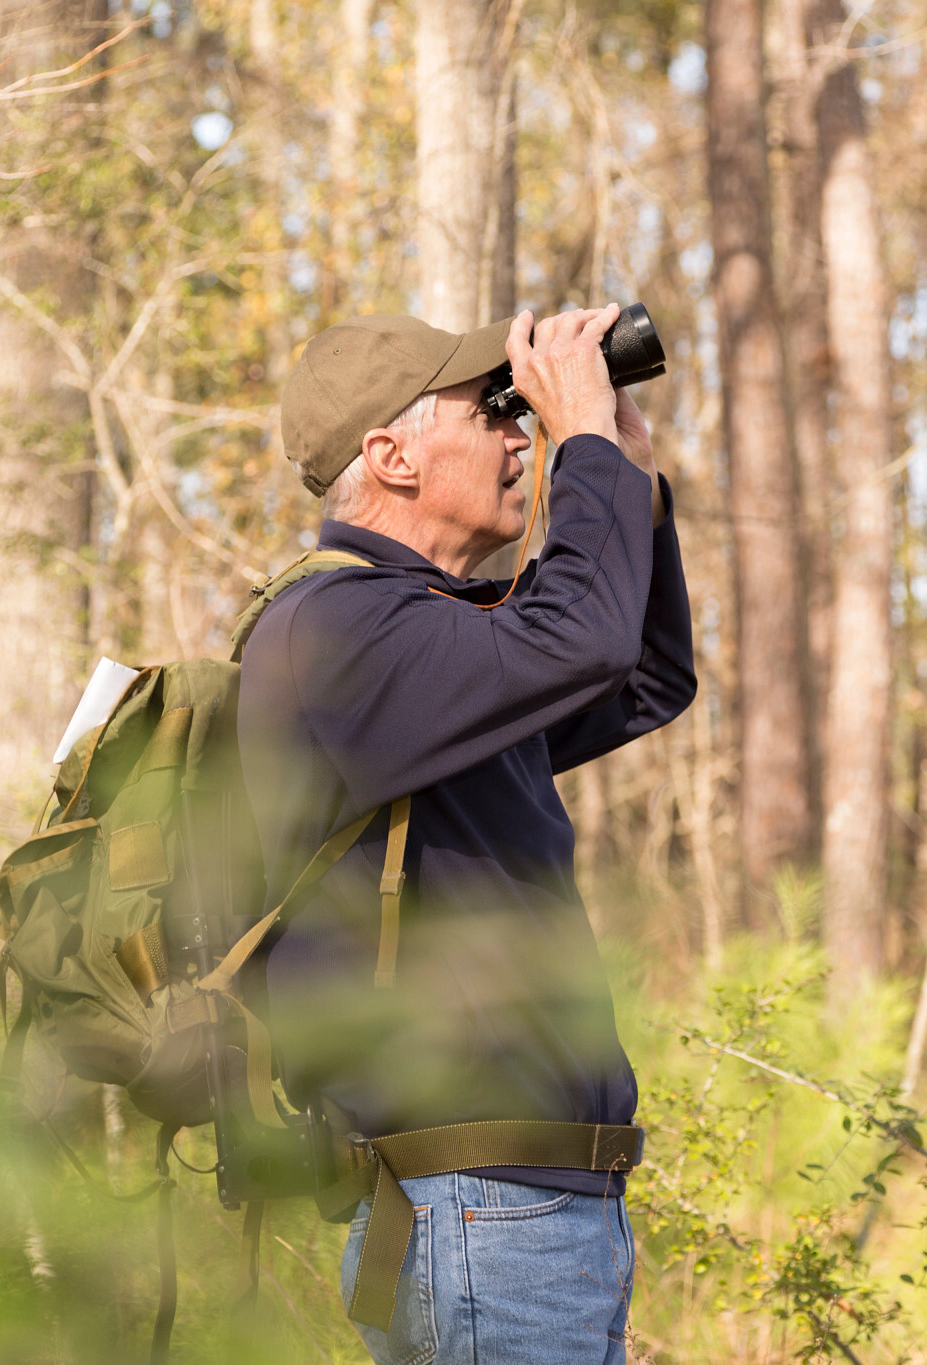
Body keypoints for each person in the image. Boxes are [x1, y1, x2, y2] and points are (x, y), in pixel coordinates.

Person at [238, 304, 695, 1365]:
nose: (516, 431)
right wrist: (577, 442)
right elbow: (578, 638)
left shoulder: (423, 627)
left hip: (509, 1212)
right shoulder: (336, 630)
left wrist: (623, 465)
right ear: (389, 456)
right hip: (478, 1212)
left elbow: (641, 672)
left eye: (518, 411)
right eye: (485, 411)